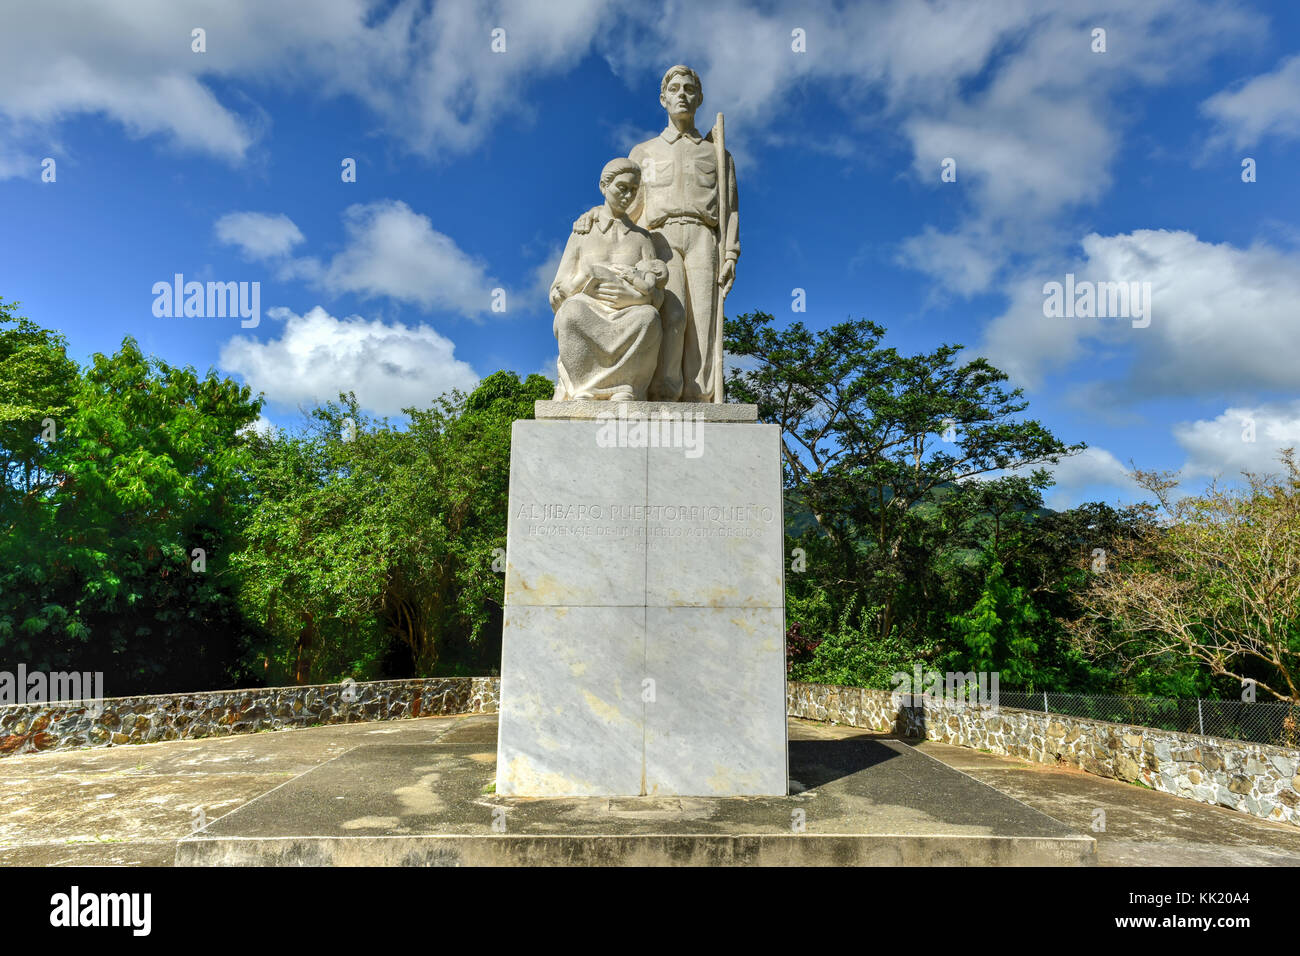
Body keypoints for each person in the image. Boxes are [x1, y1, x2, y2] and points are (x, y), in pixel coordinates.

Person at [550, 158, 668, 401]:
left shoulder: (643, 238)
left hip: (629, 314)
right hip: (589, 308)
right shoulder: (583, 232)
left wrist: (634, 297)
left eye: (633, 191)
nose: (628, 196)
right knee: (570, 312)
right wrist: (581, 284)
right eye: (621, 188)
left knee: (649, 318)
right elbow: (557, 290)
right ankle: (584, 387)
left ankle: (625, 386)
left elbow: (657, 293)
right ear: (604, 186)